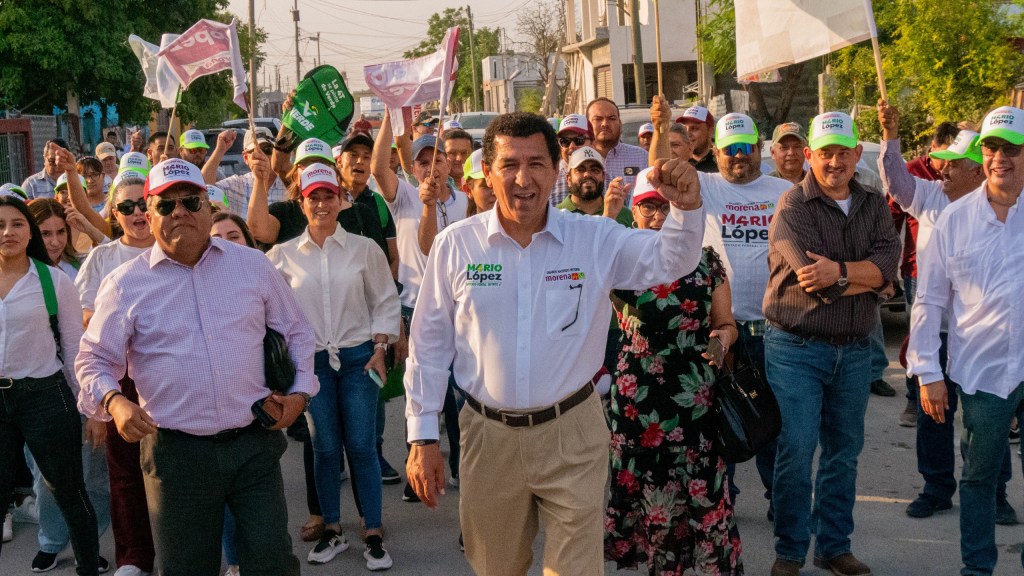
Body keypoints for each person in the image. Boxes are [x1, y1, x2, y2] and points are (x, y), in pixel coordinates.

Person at [404, 112, 705, 575]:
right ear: (487, 172)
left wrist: (685, 209)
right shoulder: (455, 246)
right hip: (489, 436)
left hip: (573, 432)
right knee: (496, 566)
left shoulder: (595, 239)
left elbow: (671, 260)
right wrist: (422, 435)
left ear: (556, 170)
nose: (523, 179)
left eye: (537, 164)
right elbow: (428, 345)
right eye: (509, 165)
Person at [76, 158, 318, 576]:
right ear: (147, 216)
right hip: (176, 455)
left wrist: (299, 393)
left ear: (209, 207)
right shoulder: (123, 283)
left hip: (253, 444)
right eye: (166, 206)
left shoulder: (252, 266)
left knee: (272, 561)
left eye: (190, 201)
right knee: (186, 568)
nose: (180, 213)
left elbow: (297, 332)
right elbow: (92, 359)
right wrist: (114, 402)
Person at [763, 112, 900, 576]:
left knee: (844, 453)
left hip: (855, 349)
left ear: (858, 154)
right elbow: (812, 281)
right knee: (797, 453)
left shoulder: (873, 203)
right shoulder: (791, 207)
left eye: (843, 152)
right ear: (809, 156)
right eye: (825, 153)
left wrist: (843, 272)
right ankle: (790, 550)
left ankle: (834, 546)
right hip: (797, 349)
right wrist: (870, 278)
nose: (834, 161)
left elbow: (888, 265)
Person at [877, 100, 1016, 523]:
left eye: (955, 164)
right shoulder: (932, 197)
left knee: (987, 422)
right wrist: (889, 136)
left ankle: (995, 493)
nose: (943, 170)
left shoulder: (1009, 208)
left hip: (984, 339)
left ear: (979, 171)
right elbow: (897, 182)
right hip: (934, 331)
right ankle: (936, 487)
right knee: (932, 416)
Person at [656, 104, 792, 517]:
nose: (738, 155)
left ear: (759, 148)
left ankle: (780, 501)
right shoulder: (707, 185)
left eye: (746, 147)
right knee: (722, 420)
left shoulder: (783, 191)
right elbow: (662, 170)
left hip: (774, 329)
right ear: (715, 151)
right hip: (721, 329)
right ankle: (722, 501)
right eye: (730, 148)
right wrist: (663, 126)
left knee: (773, 422)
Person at [604, 169, 742, 574]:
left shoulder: (706, 261)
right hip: (638, 405)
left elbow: (727, 323)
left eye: (665, 205)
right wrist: (609, 215)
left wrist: (721, 341)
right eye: (648, 205)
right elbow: (583, 264)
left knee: (705, 496)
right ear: (635, 211)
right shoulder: (620, 262)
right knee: (654, 506)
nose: (659, 214)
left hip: (695, 402)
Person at [907, 106, 1024, 575]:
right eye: (992, 148)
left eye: (1012, 148)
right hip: (983, 372)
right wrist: (928, 374)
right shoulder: (953, 220)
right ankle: (977, 569)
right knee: (977, 478)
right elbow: (929, 301)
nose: (1001, 158)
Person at [267, 165, 399, 570]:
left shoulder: (364, 249)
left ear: (341, 200)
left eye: (329, 196)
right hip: (312, 366)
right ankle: (332, 530)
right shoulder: (282, 256)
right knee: (324, 448)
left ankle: (373, 532)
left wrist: (381, 347)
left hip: (360, 358)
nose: (322, 204)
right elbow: (265, 309)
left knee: (362, 446)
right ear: (301, 202)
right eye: (313, 197)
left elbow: (385, 301)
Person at [0, 195, 101, 575]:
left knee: (69, 491)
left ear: (29, 232)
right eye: (0, 225)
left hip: (44, 395)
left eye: (17, 224)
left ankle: (88, 566)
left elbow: (76, 347)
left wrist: (91, 408)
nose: (7, 232)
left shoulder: (54, 281)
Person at [74, 172, 156, 576]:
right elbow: (86, 321)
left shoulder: (175, 247)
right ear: (114, 214)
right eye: (126, 207)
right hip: (119, 379)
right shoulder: (102, 258)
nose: (137, 213)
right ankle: (133, 557)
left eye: (143, 203)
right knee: (124, 474)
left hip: (168, 373)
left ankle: (179, 550)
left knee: (176, 468)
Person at [25, 199, 112, 572]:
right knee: (47, 479)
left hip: (83, 384)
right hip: (37, 391)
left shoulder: (82, 267)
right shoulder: (18, 273)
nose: (56, 241)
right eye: (46, 233)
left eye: (62, 232)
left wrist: (91, 400)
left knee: (92, 473)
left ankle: (88, 543)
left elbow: (114, 251)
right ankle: (52, 540)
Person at [204, 128, 288, 216]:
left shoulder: (287, 184)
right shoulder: (237, 185)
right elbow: (203, 188)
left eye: (267, 150)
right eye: (255, 152)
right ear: (245, 158)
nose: (262, 156)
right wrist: (219, 150)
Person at [586, 97, 649, 198]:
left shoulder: (642, 157)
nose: (605, 124)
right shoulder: (577, 159)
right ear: (587, 124)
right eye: (598, 119)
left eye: (611, 118)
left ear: (620, 123)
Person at [556, 146, 632, 226]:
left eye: (595, 170)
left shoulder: (624, 215)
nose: (587, 174)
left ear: (603, 177)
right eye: (580, 170)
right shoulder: (555, 216)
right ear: (568, 179)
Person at [549, 113, 596, 205]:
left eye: (579, 140)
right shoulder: (549, 179)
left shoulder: (605, 177)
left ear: (592, 142)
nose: (572, 146)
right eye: (565, 141)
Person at [677, 106, 717, 173]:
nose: (687, 134)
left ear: (710, 131)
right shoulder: (678, 160)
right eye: (684, 129)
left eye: (694, 128)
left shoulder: (722, 162)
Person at [461, 149, 495, 217]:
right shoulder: (461, 227)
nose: (495, 192)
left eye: (498, 184)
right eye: (486, 186)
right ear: (468, 190)